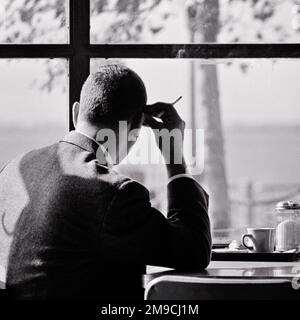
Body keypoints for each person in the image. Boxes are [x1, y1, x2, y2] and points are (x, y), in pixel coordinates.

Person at [0, 63, 211, 300]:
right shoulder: (114, 193)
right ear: (136, 127)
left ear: (76, 111)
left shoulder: (12, 171)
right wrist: (175, 157)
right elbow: (194, 250)